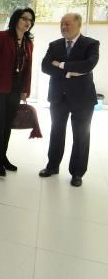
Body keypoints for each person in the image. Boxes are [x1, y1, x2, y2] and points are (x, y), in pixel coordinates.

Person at [39, 13, 100, 187]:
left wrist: (61, 64)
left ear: (78, 25)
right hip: (58, 97)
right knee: (56, 132)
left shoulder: (91, 44)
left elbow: (88, 65)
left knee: (81, 136)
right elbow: (45, 66)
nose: (64, 27)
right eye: (62, 23)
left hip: (83, 98)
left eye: (67, 24)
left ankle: (77, 173)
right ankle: (52, 166)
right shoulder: (55, 45)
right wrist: (71, 71)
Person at [0, 8, 35, 176]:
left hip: (16, 88)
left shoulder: (28, 43)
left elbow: (28, 69)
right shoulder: (1, 37)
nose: (28, 22)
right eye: (24, 18)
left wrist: (25, 90)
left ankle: (3, 157)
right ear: (16, 19)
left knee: (7, 124)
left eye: (30, 20)